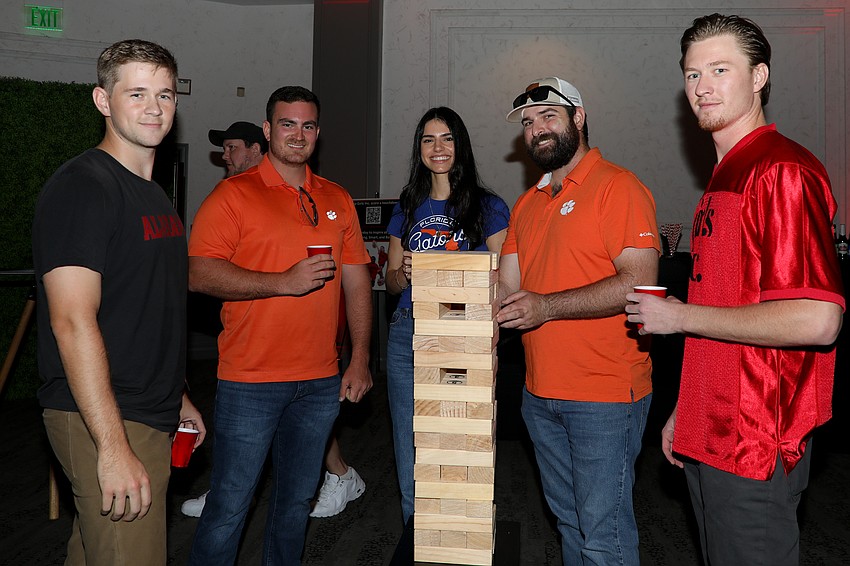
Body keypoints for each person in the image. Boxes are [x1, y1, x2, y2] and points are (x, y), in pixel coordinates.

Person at [626, 14, 845, 565]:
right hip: (713, 427)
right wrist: (687, 410)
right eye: (692, 73)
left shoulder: (781, 170)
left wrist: (679, 318)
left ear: (759, 77)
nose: (702, 86)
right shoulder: (723, 176)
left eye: (720, 69)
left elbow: (818, 320)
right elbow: (723, 304)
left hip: (754, 443)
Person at [31, 39, 205, 566]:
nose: (154, 107)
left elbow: (147, 309)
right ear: (103, 101)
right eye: (137, 93)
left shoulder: (152, 193)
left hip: (145, 410)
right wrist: (111, 446)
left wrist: (177, 397)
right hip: (103, 416)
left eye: (166, 94)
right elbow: (71, 322)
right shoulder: (84, 187)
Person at [186, 85, 373, 565]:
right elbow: (199, 273)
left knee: (294, 505)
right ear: (268, 130)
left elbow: (357, 283)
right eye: (287, 124)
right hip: (250, 380)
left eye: (308, 125)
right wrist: (281, 283)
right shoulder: (234, 194)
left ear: (318, 133)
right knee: (230, 505)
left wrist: (361, 360)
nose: (298, 134)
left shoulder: (336, 198)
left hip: (319, 381)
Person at [496, 77, 660, 564]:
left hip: (604, 396)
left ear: (578, 118)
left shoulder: (617, 187)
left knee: (603, 536)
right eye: (528, 122)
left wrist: (546, 306)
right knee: (570, 523)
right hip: (539, 394)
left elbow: (638, 282)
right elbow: (505, 288)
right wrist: (446, 279)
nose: (537, 129)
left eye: (549, 115)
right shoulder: (528, 203)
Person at [385, 106, 510, 525]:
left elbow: (505, 280)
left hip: (464, 335)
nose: (438, 148)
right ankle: (417, 539)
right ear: (419, 148)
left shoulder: (489, 206)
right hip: (408, 333)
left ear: (461, 145)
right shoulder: (407, 205)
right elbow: (391, 282)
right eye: (428, 139)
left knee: (459, 444)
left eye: (447, 138)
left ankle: (461, 537)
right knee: (413, 449)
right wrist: (403, 273)